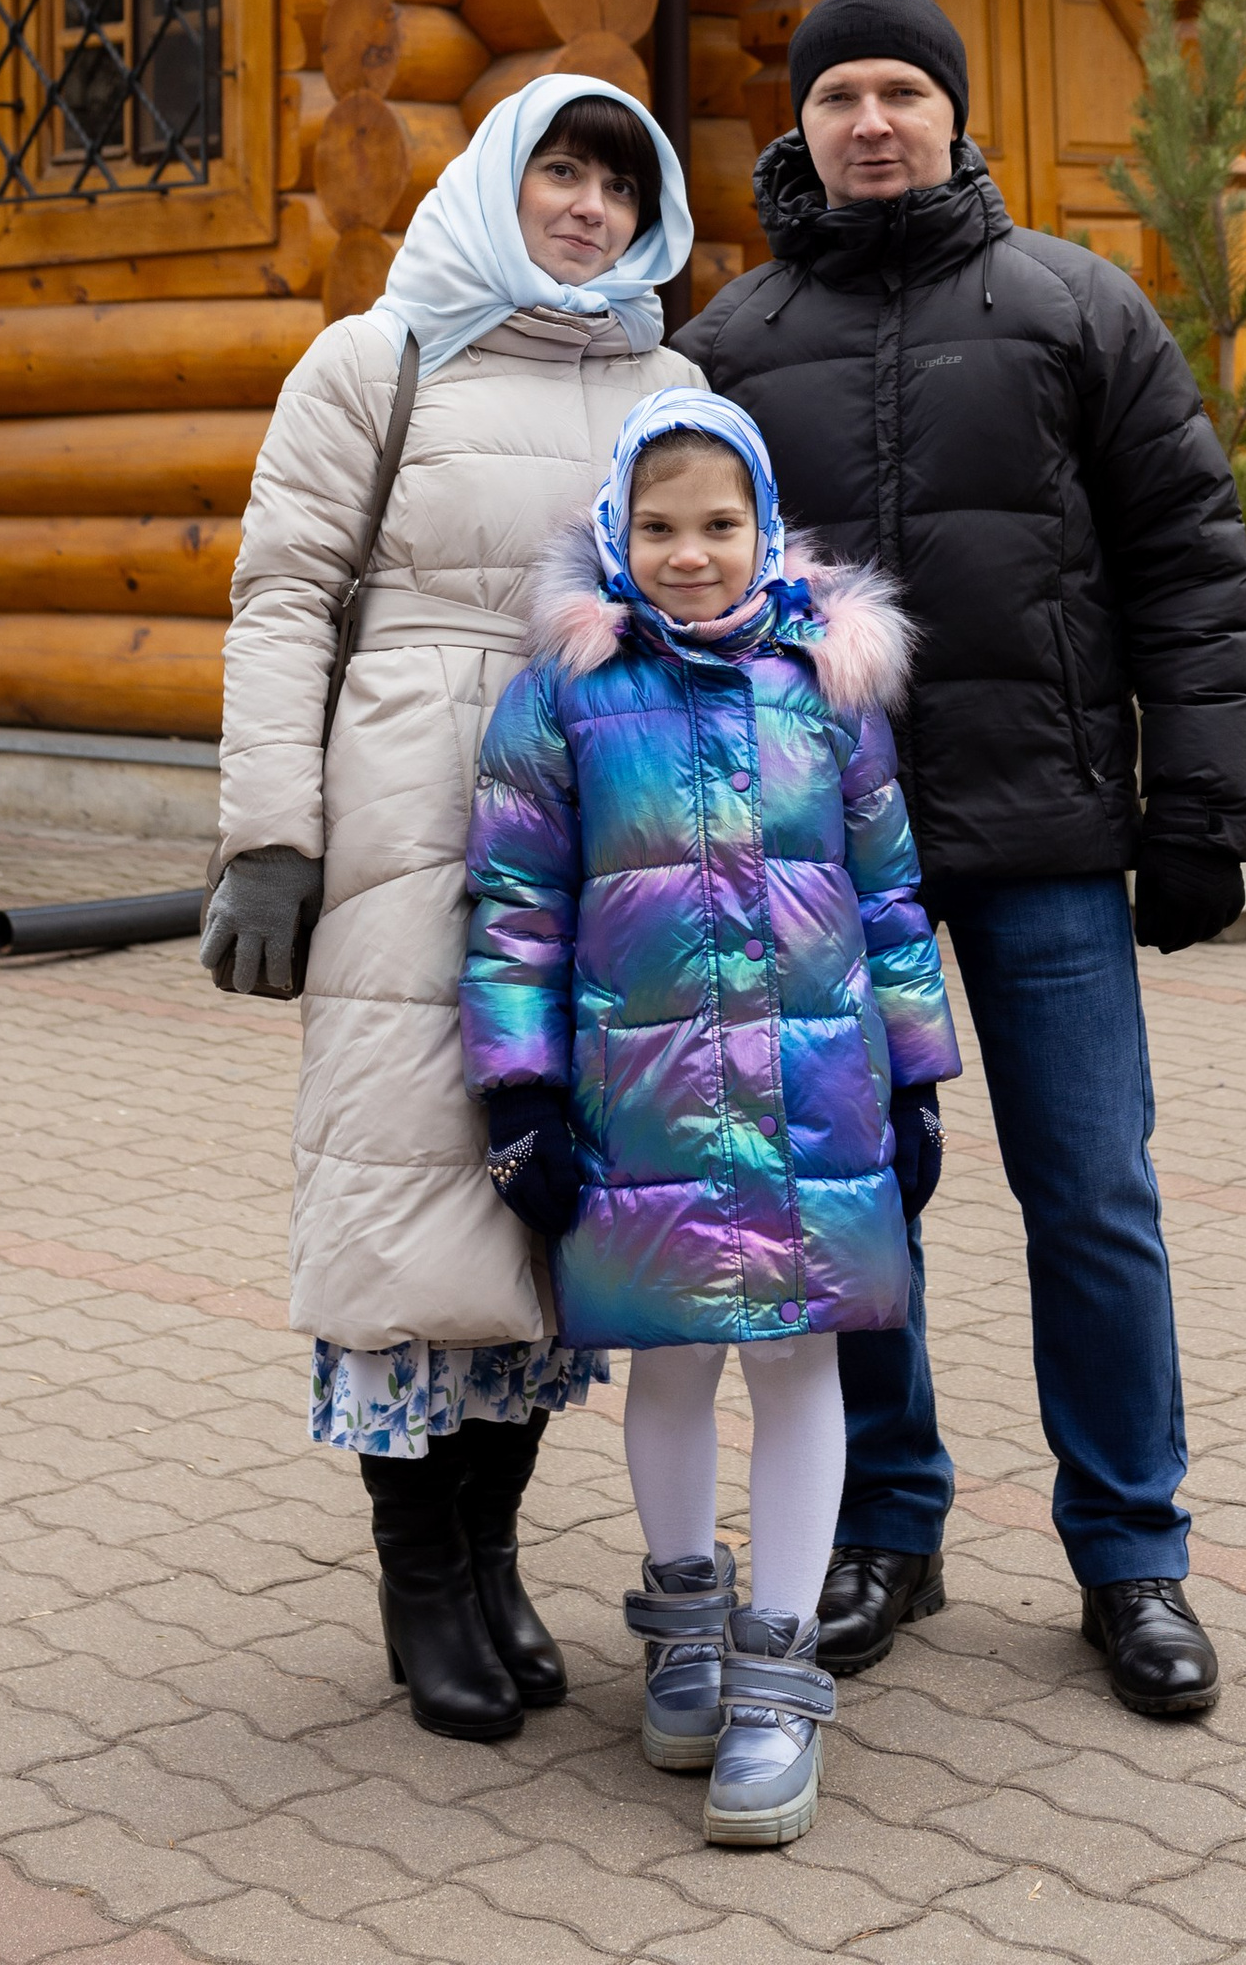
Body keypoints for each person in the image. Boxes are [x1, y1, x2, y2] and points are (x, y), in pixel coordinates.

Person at [677, 0, 1246, 1718]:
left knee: (1094, 1196)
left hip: (1053, 846)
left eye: (902, 93)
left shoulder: (1074, 306)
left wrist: (1201, 813)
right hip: (824, 869)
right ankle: (885, 1527)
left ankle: (1132, 1556)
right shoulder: (729, 344)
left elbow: (1189, 560)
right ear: (802, 128)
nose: (873, 122)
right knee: (862, 1209)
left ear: (953, 114)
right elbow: (671, 593)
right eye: (840, 95)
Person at [207, 73, 696, 1744]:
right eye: (559, 172)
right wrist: (270, 838)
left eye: (618, 188)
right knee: (415, 1189)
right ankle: (424, 1575)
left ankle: (494, 1558)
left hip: (601, 831)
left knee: (552, 1202)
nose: (587, 209)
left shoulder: (671, 381)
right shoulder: (377, 361)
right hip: (412, 820)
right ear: (500, 182)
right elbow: (280, 599)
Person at [461, 390, 959, 1849]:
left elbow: (887, 896)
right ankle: (685, 1623)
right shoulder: (562, 696)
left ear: (764, 532)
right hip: (642, 1102)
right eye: (661, 527)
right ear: (618, 532)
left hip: (816, 1099)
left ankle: (780, 1665)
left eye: (720, 526)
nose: (692, 555)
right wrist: (521, 1091)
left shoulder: (824, 686)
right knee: (670, 1364)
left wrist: (918, 1075)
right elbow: (512, 909)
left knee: (802, 1364)